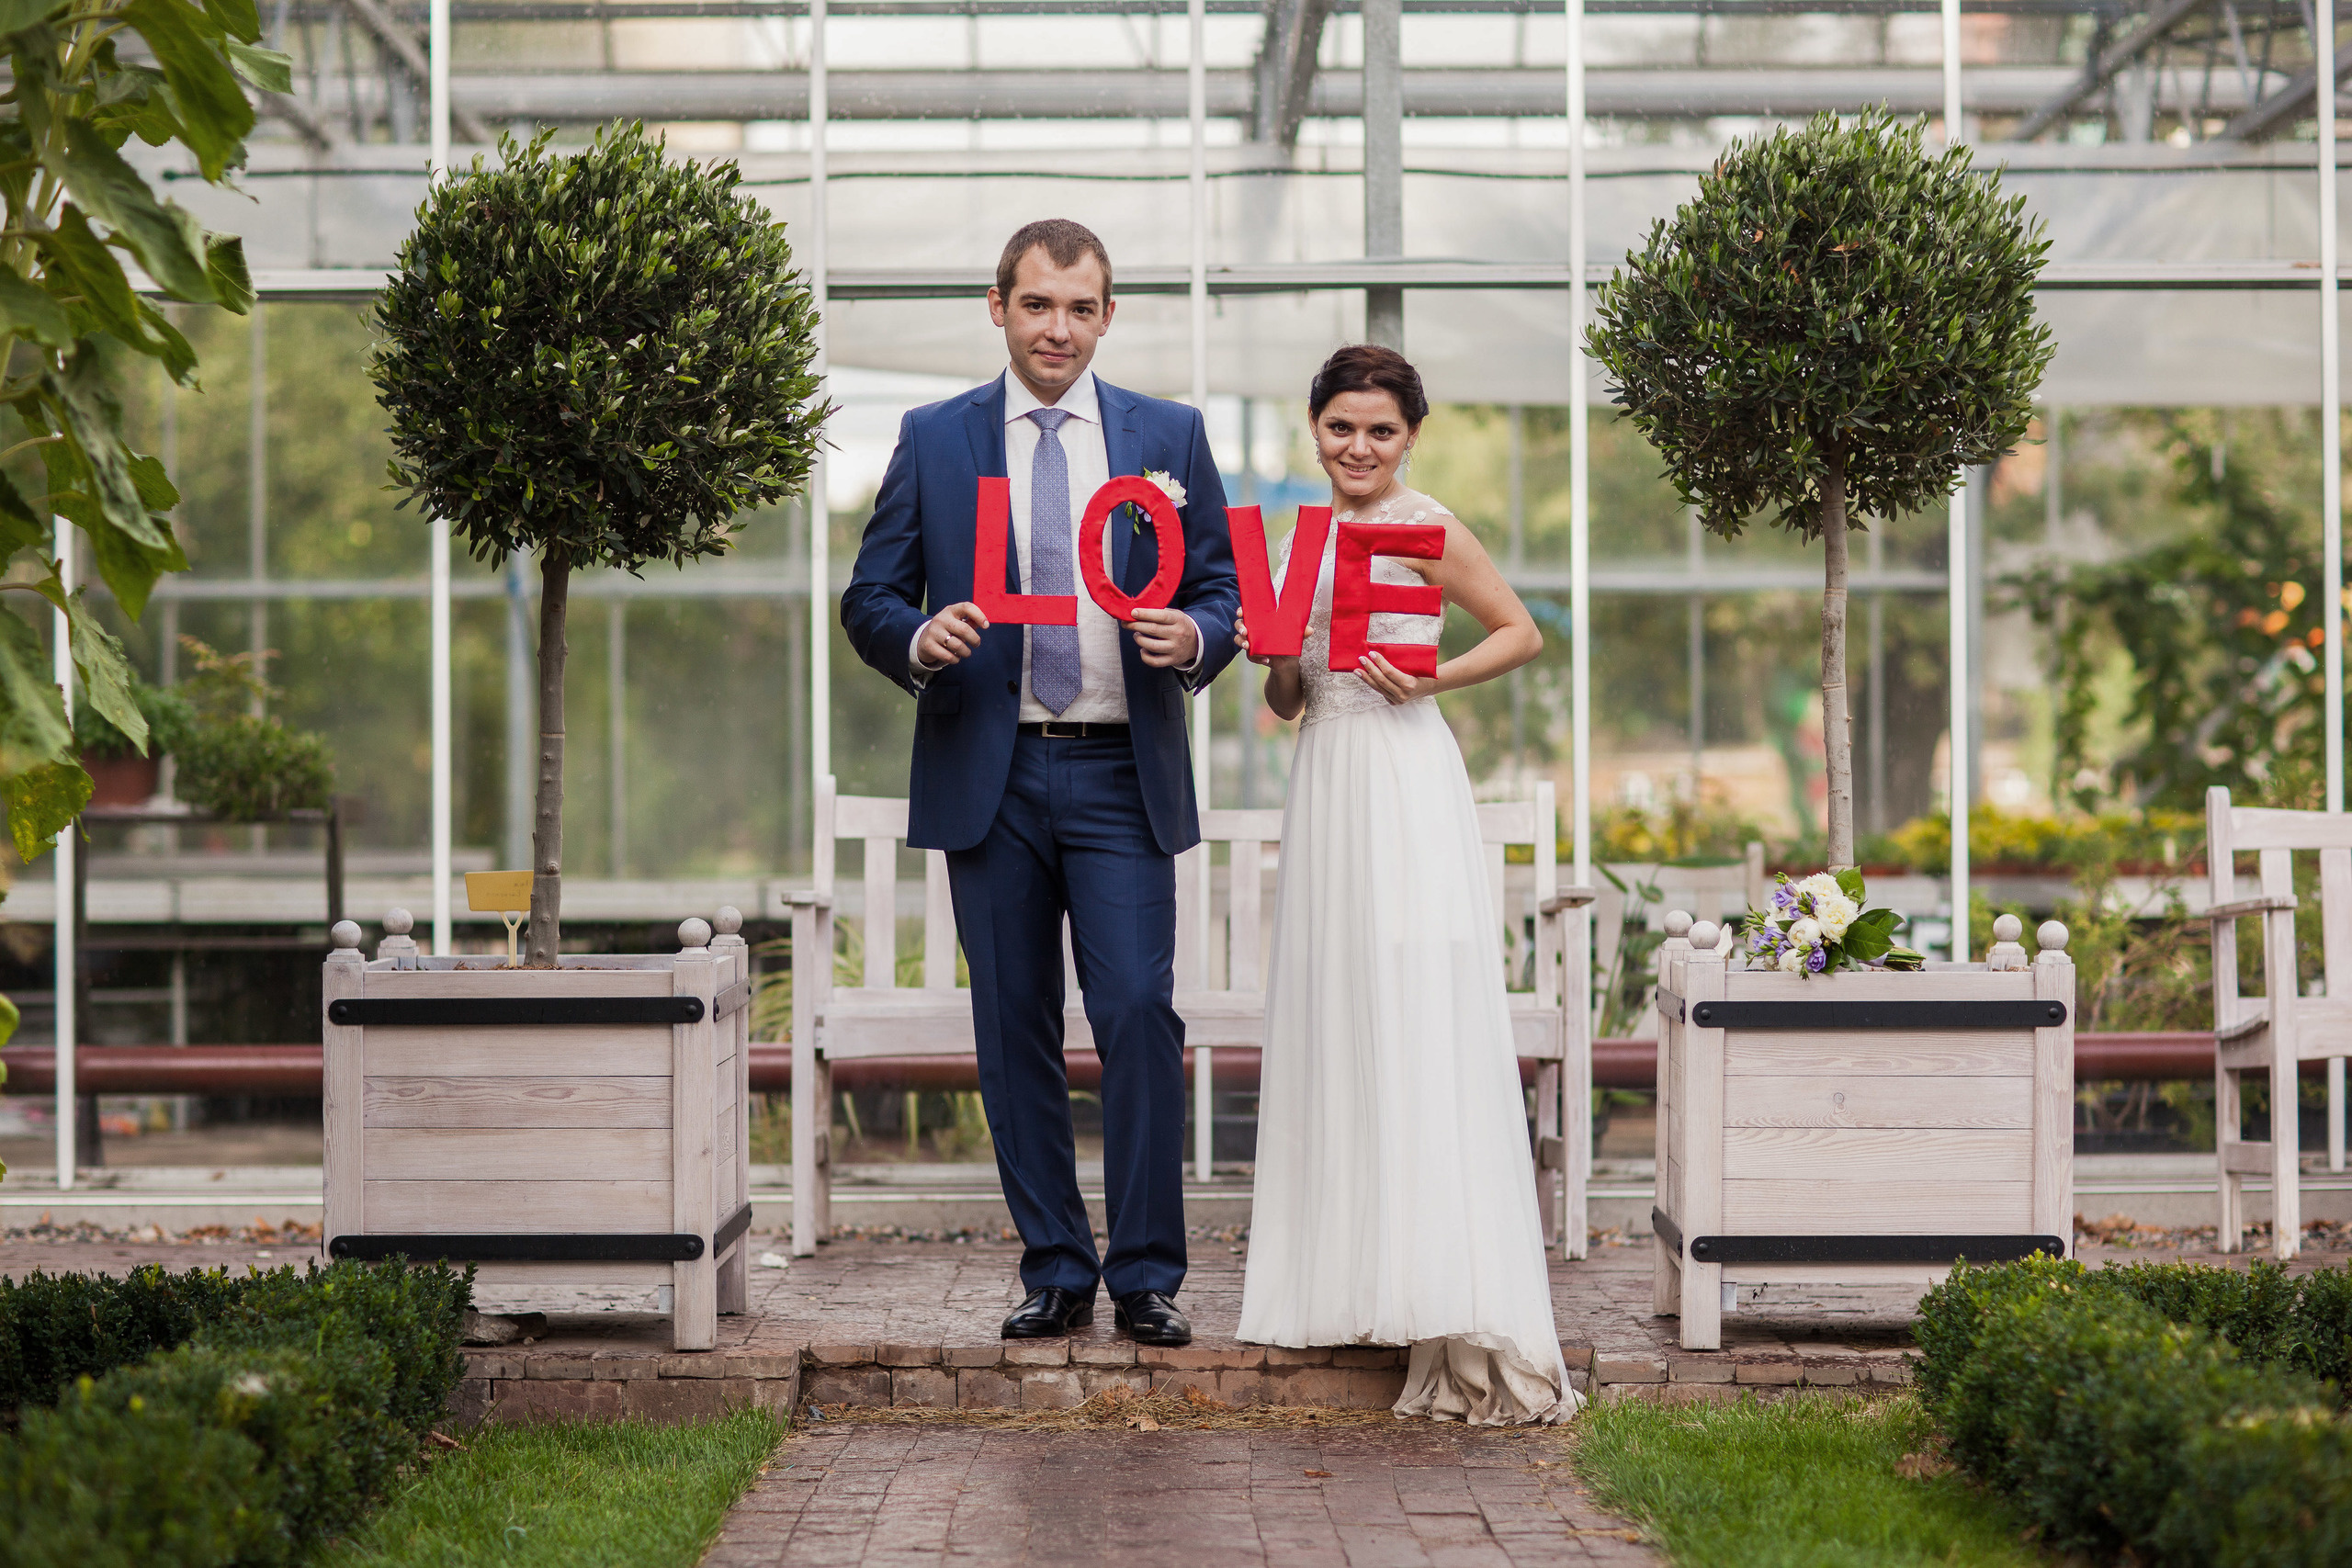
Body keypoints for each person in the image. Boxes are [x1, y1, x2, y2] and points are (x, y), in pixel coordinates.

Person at [840, 219, 1240, 1347]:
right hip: (992, 772)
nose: (1056, 328)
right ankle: (1056, 1268)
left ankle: (1146, 1274)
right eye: (1036, 305)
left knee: (1136, 1012)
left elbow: (1220, 589)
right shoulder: (933, 437)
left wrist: (1196, 637)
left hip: (1122, 769)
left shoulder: (1169, 435)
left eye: (1078, 308)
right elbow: (869, 598)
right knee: (1012, 1023)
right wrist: (916, 639)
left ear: (1107, 316)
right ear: (998, 307)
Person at [1235, 344, 1577, 1423]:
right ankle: (1351, 1280)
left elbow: (1520, 631)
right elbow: (1288, 699)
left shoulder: (1428, 528)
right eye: (1341, 427)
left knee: (1413, 1009)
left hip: (1405, 774)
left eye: (1379, 430)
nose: (1359, 446)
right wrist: (1273, 654)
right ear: (1315, 429)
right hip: (1326, 776)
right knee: (1339, 1013)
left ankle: (1441, 1282)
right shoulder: (1298, 536)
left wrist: (1433, 676)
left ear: (1410, 437)